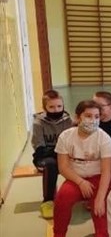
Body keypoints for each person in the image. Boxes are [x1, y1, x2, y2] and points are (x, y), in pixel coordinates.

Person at [37, 100, 111, 237]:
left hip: (99, 179)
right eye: (88, 116)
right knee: (62, 199)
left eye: (97, 117)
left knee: (99, 209)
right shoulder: (66, 136)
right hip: (76, 178)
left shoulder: (104, 138)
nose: (93, 120)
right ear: (78, 117)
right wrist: (80, 181)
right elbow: (63, 167)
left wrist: (100, 197)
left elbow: (106, 171)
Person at [31, 89, 73, 219]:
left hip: (63, 155)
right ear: (45, 108)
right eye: (52, 107)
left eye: (59, 106)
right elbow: (40, 149)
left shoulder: (68, 121)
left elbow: (71, 143)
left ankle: (82, 195)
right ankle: (48, 201)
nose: (56, 110)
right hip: (44, 157)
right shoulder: (38, 123)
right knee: (51, 164)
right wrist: (60, 150)